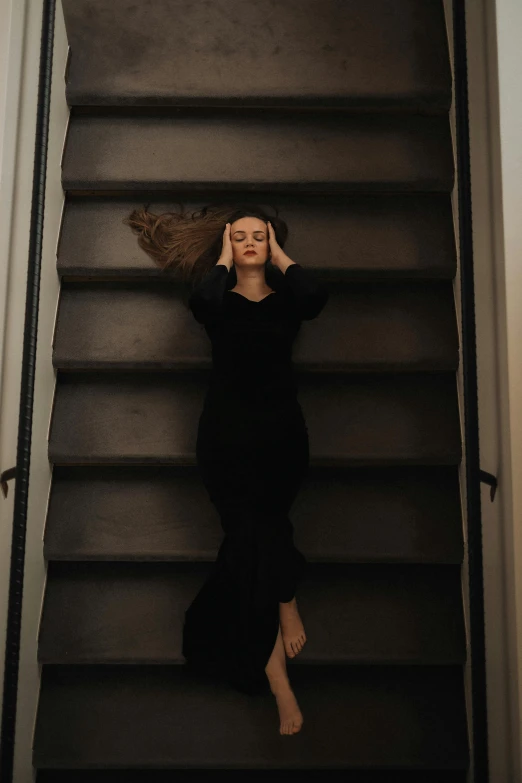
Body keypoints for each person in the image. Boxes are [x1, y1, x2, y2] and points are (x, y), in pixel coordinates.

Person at [124, 203, 329, 735]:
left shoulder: (287, 299)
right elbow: (202, 300)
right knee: (249, 528)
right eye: (239, 237)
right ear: (227, 247)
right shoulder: (219, 301)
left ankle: (279, 626)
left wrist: (282, 256)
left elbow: (316, 299)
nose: (251, 242)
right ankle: (282, 622)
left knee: (261, 528)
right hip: (225, 434)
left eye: (258, 236)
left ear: (272, 242)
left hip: (283, 431)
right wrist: (221, 260)